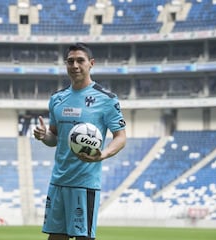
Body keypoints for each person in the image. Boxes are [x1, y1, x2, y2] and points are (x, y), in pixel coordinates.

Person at [33, 42, 126, 240]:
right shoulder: (57, 99)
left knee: (84, 238)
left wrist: (104, 154)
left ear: (91, 63)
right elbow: (54, 139)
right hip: (58, 181)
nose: (75, 65)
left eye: (80, 61)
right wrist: (44, 136)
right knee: (56, 238)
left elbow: (121, 137)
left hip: (85, 183)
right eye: (70, 61)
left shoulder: (107, 99)